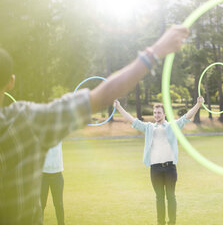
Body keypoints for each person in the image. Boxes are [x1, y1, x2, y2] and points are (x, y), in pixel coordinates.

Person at [0, 25, 189, 225]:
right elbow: (102, 95)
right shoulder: (25, 121)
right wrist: (157, 50)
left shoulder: (26, 120)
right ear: (11, 82)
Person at [114, 97, 204, 225]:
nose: (156, 115)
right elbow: (132, 120)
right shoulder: (149, 127)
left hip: (170, 168)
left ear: (164, 114)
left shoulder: (172, 125)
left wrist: (198, 104)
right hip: (155, 168)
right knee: (159, 198)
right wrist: (118, 107)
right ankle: (160, 223)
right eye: (155, 113)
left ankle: (172, 222)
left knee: (171, 196)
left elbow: (186, 117)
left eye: (159, 113)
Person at [40, 142, 65, 225]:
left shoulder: (58, 135)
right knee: (41, 205)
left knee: (59, 204)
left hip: (57, 175)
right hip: (43, 176)